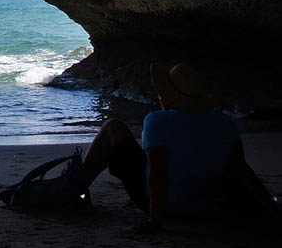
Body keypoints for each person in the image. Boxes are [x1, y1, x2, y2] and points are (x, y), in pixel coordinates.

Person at [74, 63, 278, 232]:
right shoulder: (224, 122)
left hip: (168, 207)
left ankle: (75, 190)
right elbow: (242, 170)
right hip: (207, 203)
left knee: (113, 127)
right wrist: (271, 210)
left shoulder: (158, 121)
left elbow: (158, 173)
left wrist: (155, 221)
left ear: (168, 95)